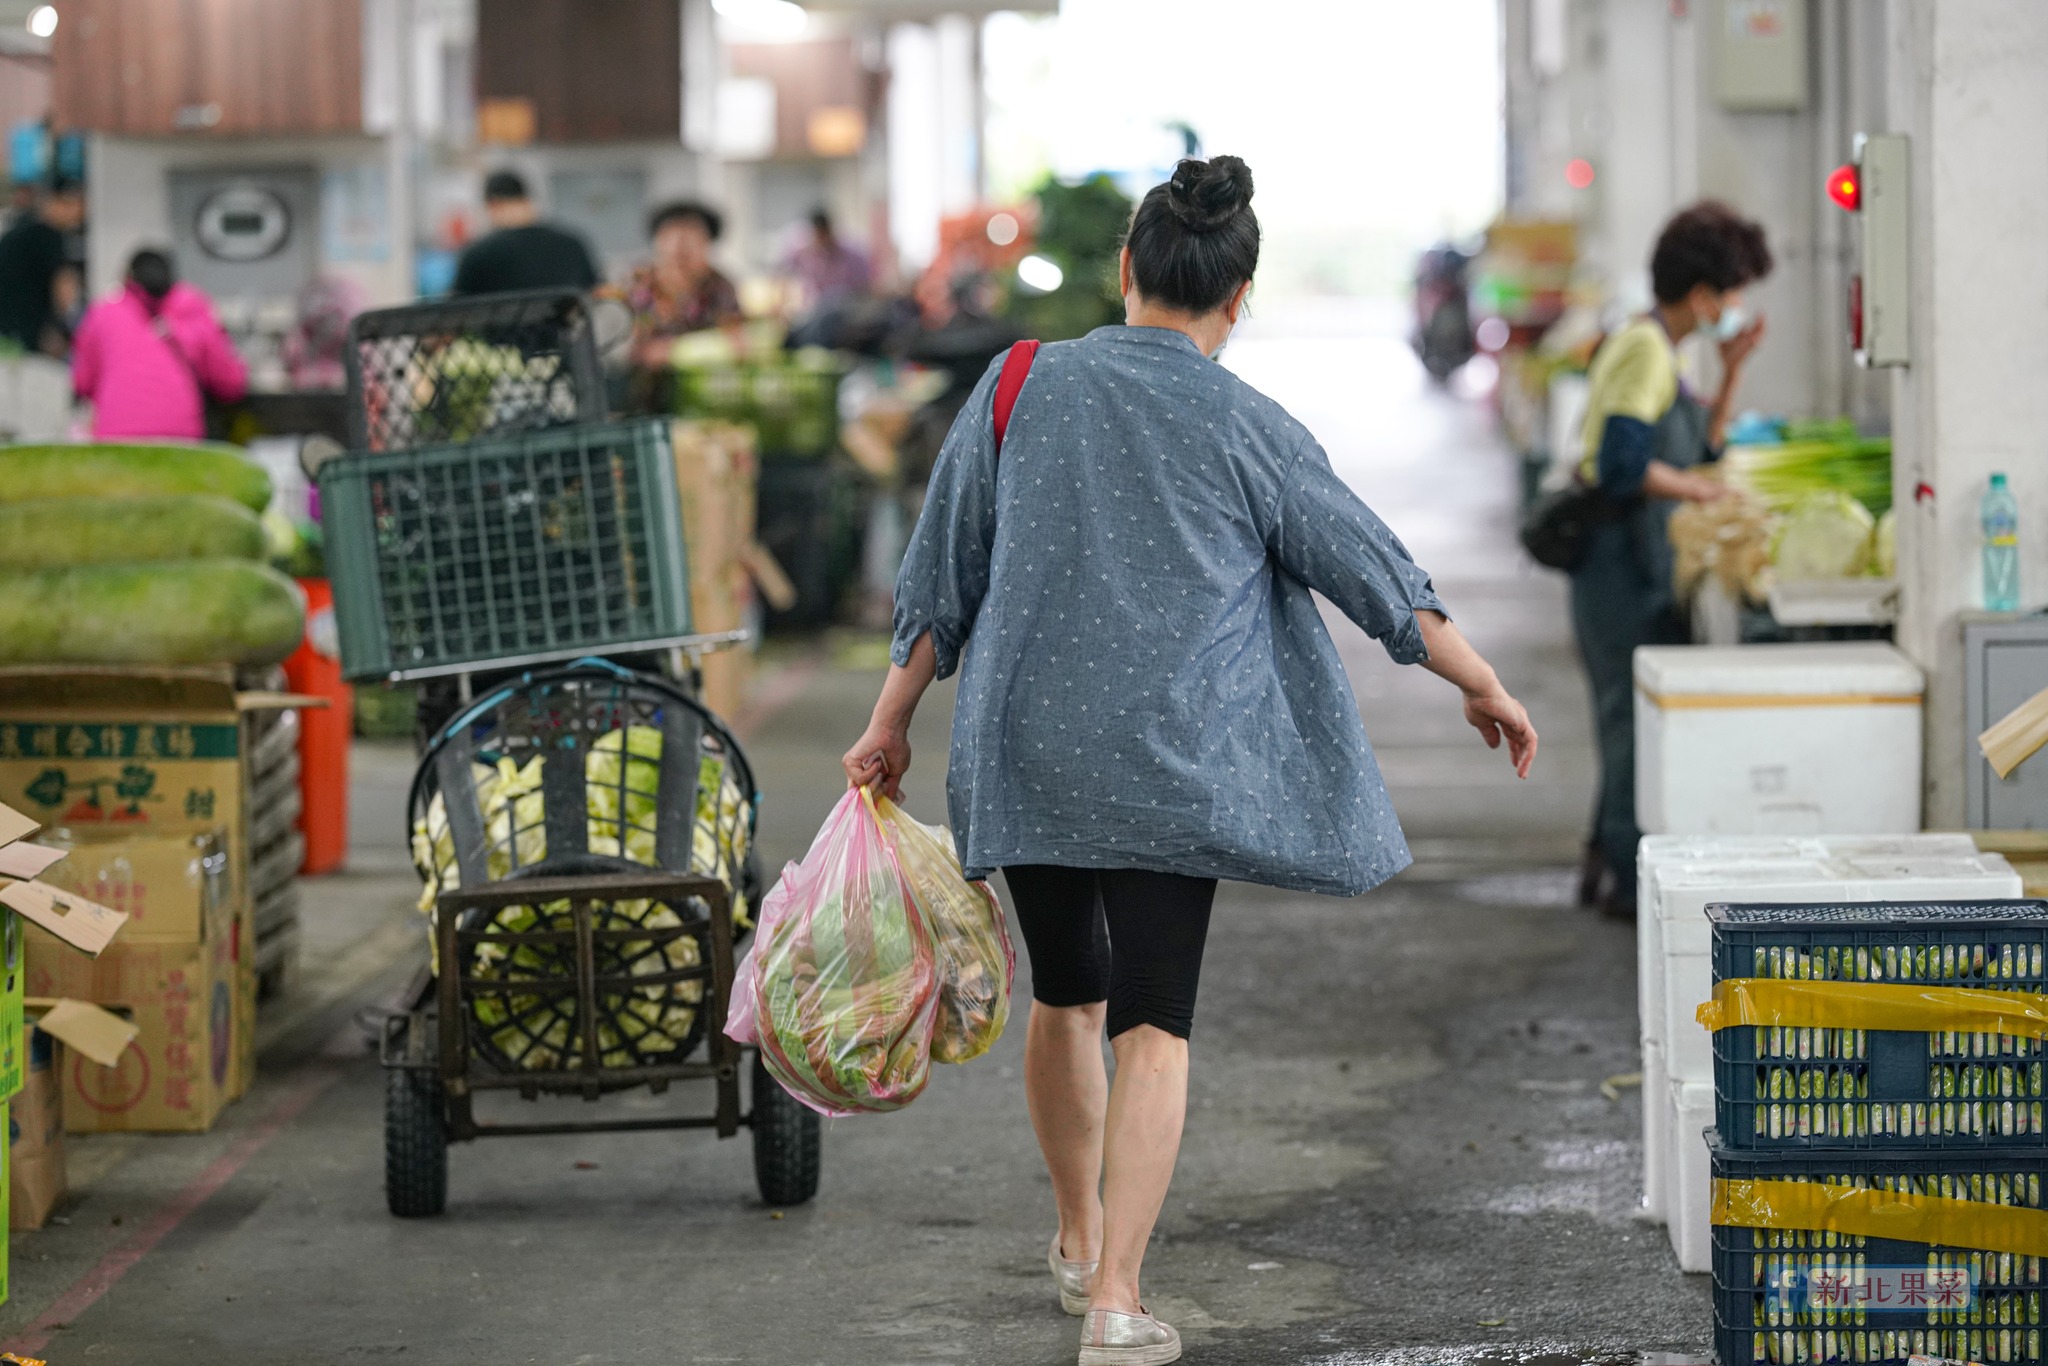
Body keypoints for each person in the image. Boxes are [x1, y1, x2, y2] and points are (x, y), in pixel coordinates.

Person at [840, 156, 1537, 1365]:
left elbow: (938, 580)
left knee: (1065, 992)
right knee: (1152, 1024)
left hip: (1030, 747)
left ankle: (1071, 1237)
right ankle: (1116, 1296)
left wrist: (888, 718)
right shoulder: (1247, 423)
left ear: (1125, 270)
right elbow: (1369, 570)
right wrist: (1478, 678)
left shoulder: (1015, 386)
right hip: (1169, 757)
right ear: (1241, 292)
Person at [1570, 201, 1771, 918]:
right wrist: (1698, 489)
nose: (1737, 305)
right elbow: (1625, 465)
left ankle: (1604, 856)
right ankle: (1627, 882)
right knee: (1628, 715)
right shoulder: (1644, 349)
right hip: (1616, 562)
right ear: (1703, 294)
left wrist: (1732, 372)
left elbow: (1699, 448)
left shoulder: (1669, 350)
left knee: (1634, 712)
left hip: (1644, 558)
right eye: (1734, 289)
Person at [72, 248, 246, 440]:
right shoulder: (195, 308)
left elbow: (82, 382)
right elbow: (231, 384)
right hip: (179, 439)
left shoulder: (103, 312)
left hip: (116, 438)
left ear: (128, 278)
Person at [622, 199, 742, 368]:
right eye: (669, 238)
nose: (679, 249)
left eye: (691, 239)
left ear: (707, 245)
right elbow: (617, 348)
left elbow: (737, 342)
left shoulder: (721, 288)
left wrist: (675, 351)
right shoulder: (631, 284)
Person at [451, 170, 601, 297]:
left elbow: (454, 315)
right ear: (526, 199)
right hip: (569, 332)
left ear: (493, 204)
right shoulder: (572, 244)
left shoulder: (478, 254)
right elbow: (598, 293)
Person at [0, 179, 84, 356]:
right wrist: (71, 327)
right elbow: (65, 290)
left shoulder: (17, 232)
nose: (79, 213)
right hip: (29, 339)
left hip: (7, 338)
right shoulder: (49, 236)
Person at [781, 207, 872, 346]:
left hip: (843, 316)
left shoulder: (852, 254)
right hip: (812, 314)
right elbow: (784, 276)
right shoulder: (803, 251)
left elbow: (865, 288)